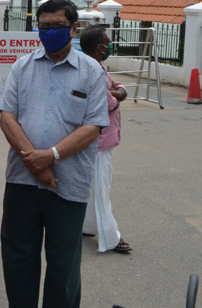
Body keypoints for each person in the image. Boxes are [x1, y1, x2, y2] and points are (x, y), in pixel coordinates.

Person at [0, 0, 110, 308]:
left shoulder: (92, 72)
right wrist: (36, 163)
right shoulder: (23, 65)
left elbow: (94, 126)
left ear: (73, 28)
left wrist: (51, 156)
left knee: (63, 264)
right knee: (18, 257)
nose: (50, 32)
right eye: (44, 27)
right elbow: (7, 117)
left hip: (68, 185)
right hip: (22, 181)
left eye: (57, 26)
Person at [80, 25, 132, 253]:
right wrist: (116, 94)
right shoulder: (94, 71)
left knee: (95, 187)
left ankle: (88, 225)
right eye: (107, 42)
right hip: (99, 139)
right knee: (101, 188)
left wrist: (116, 91)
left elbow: (119, 88)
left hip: (101, 139)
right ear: (97, 47)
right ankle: (111, 237)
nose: (109, 45)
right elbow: (110, 102)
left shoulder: (98, 67)